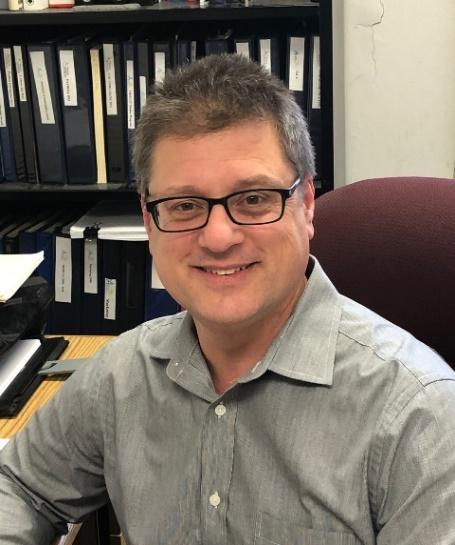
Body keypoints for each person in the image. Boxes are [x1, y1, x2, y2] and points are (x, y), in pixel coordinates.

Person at [1, 54, 455, 545]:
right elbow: (19, 486)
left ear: (305, 205)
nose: (218, 237)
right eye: (184, 205)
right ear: (150, 220)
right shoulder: (121, 376)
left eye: (254, 198)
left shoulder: (419, 418)